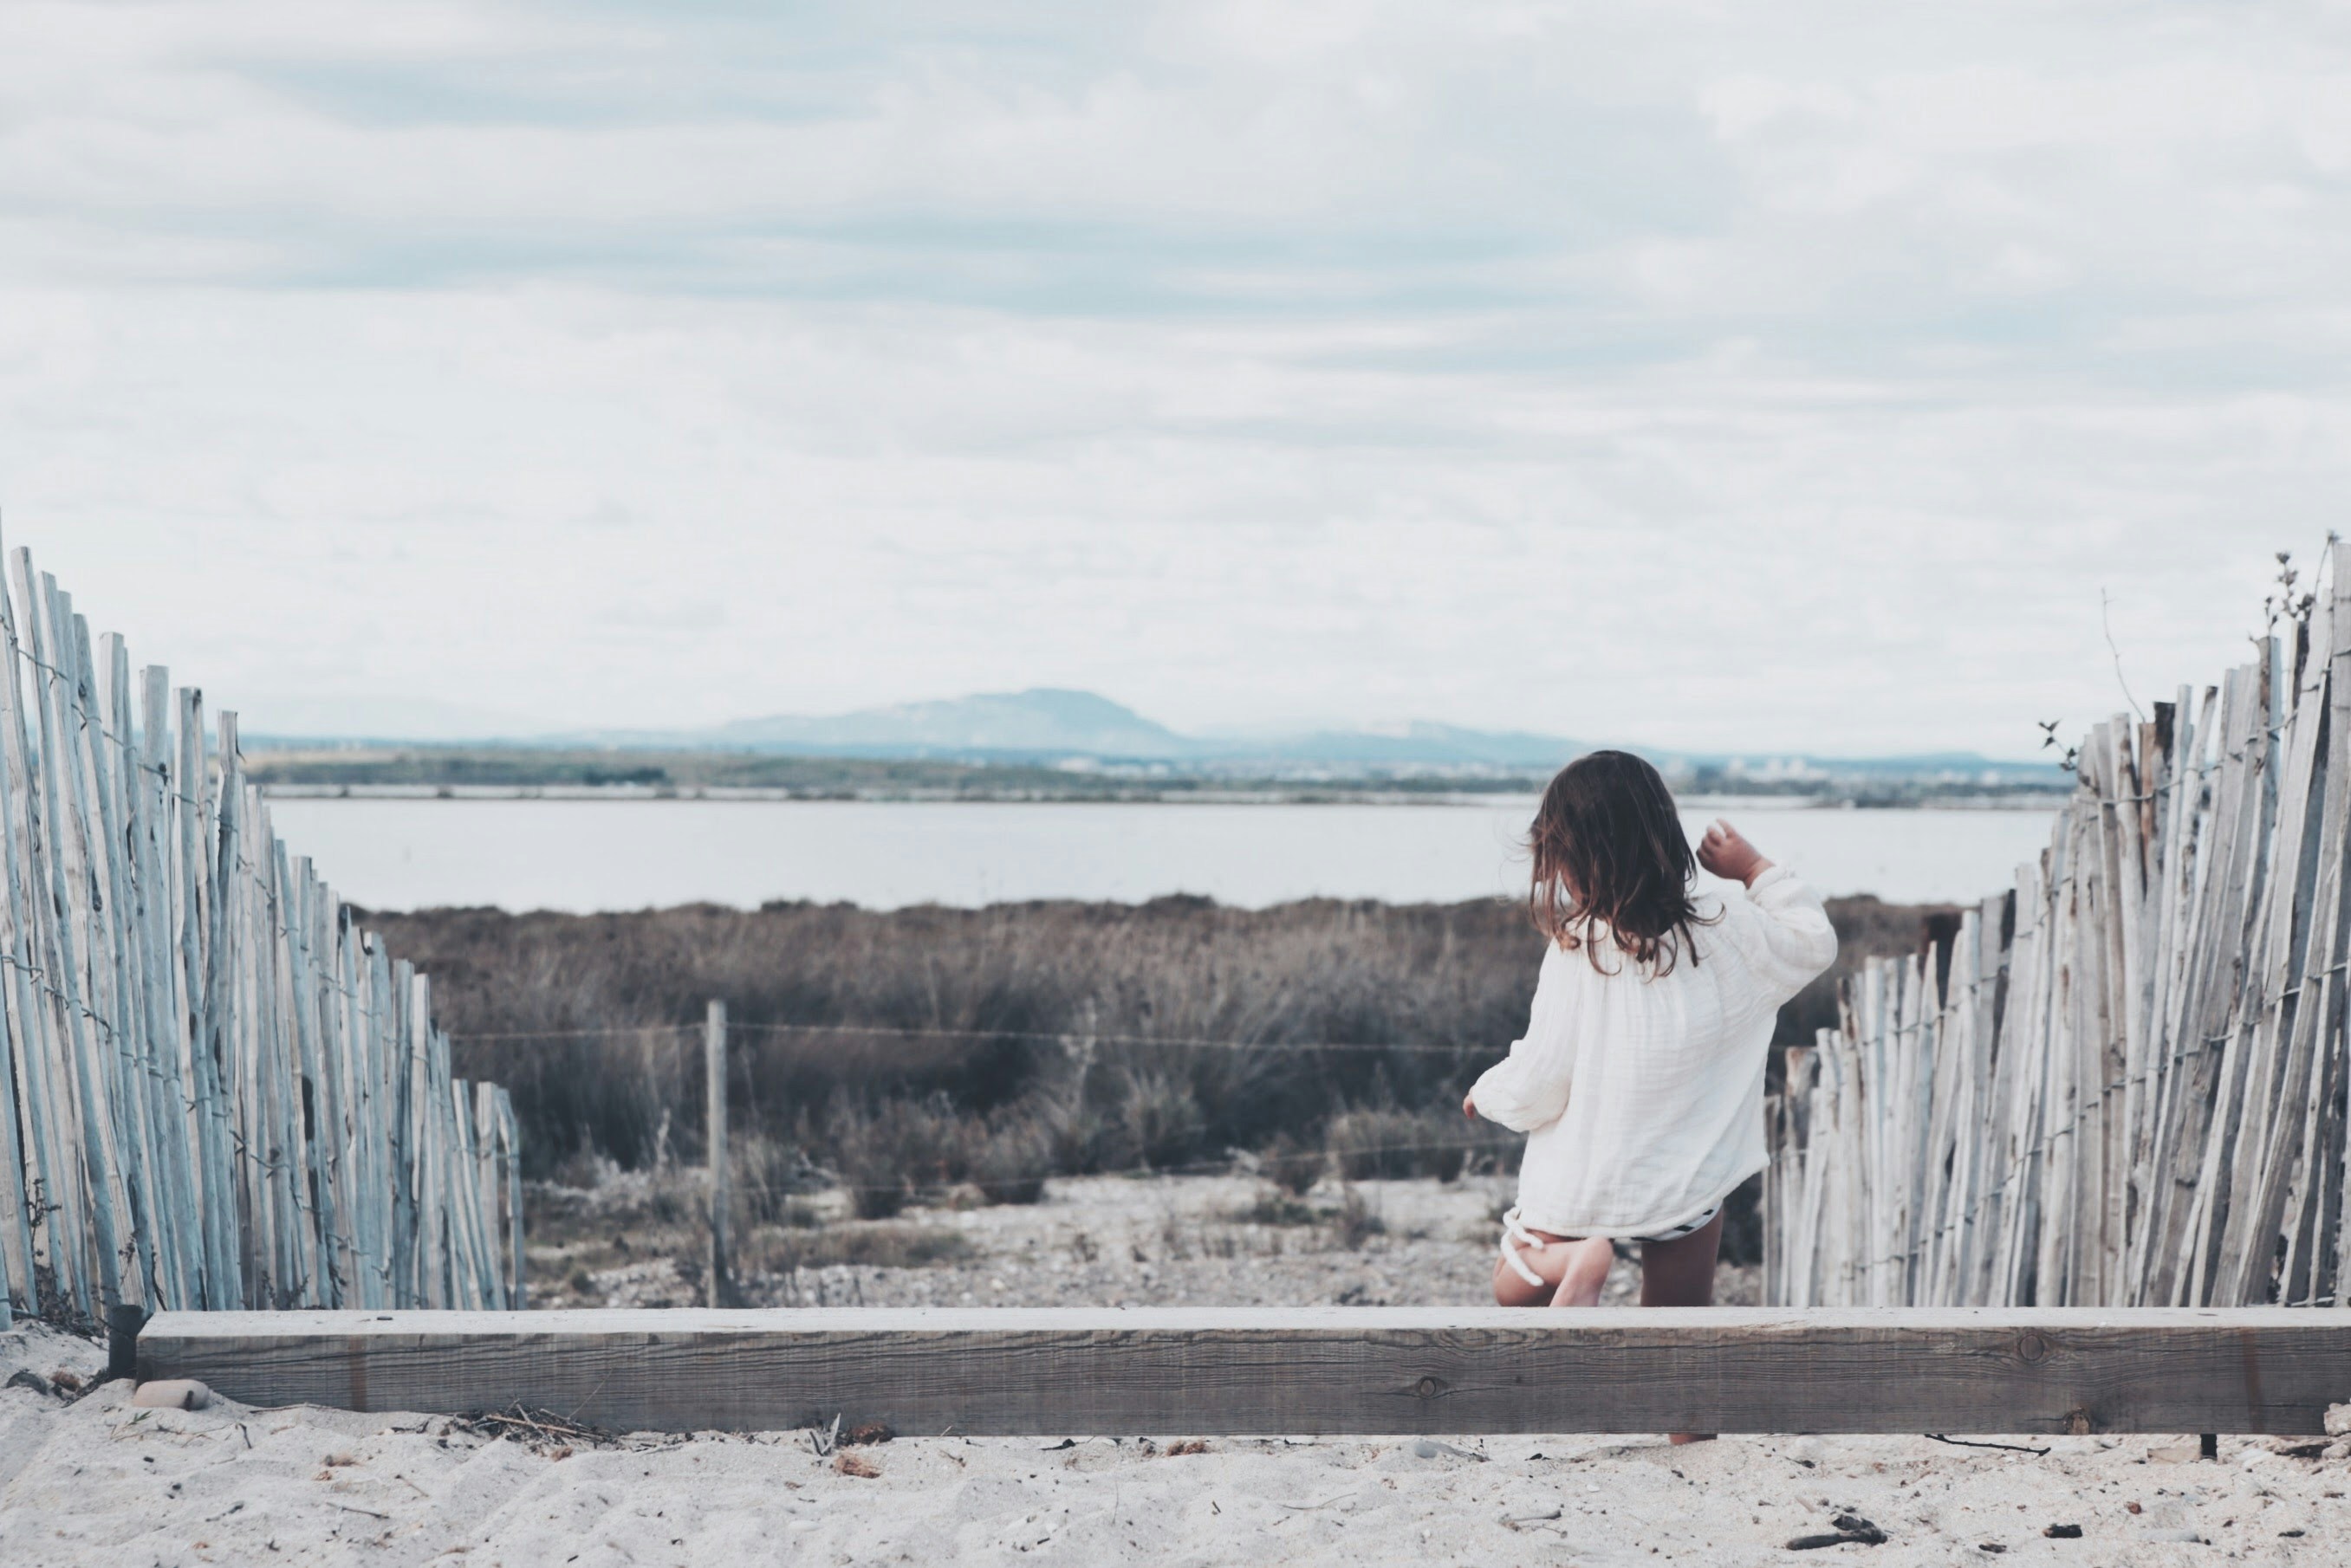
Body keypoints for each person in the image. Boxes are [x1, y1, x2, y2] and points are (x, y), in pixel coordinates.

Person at [1463, 750, 1837, 1351]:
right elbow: (1811, 941)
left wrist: (1489, 1093)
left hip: (1585, 1181)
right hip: (1686, 1181)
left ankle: (1578, 1260)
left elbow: (1543, 1076)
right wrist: (1753, 869)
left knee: (1514, 1284)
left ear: (1569, 857)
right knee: (1677, 1327)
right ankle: (1678, 1408)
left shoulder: (1578, 947)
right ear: (1664, 837)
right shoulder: (1726, 927)